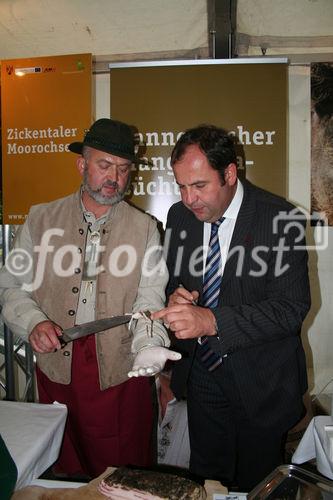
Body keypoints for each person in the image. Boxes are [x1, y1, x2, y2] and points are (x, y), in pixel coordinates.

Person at [0, 118, 180, 479]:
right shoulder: (40, 218)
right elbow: (11, 285)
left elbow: (149, 296)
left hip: (119, 368)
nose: (114, 177)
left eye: (123, 168)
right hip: (56, 364)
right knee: (60, 459)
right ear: (82, 165)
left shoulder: (144, 227)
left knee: (121, 468)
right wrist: (33, 322)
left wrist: (148, 343)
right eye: (104, 165)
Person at [152, 124, 311, 491]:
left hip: (262, 381)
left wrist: (211, 320)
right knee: (210, 481)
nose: (188, 199)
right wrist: (177, 296)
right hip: (203, 378)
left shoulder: (280, 219)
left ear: (229, 174)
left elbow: (291, 309)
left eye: (199, 186)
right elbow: (176, 282)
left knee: (257, 485)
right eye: (181, 186)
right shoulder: (178, 218)